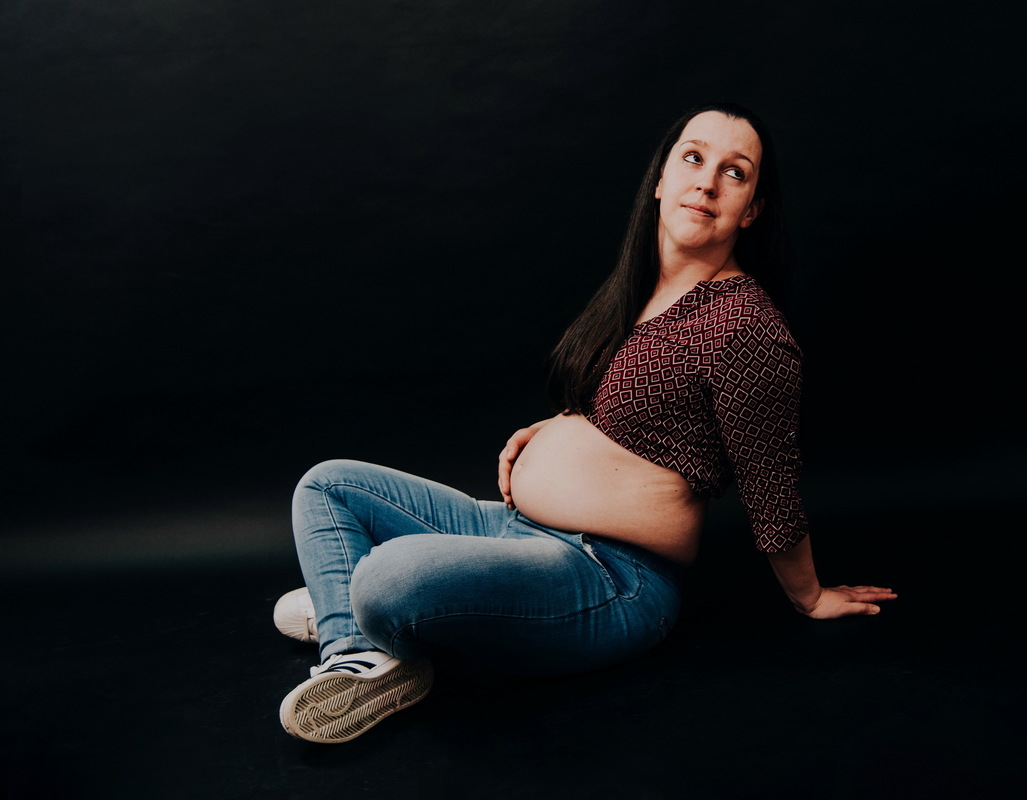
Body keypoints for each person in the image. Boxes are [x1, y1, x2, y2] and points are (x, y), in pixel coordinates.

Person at [274, 103, 897, 744]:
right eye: (693, 158)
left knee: (387, 577)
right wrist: (555, 429)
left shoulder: (744, 326)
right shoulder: (641, 293)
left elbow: (770, 482)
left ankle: (354, 611)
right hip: (519, 530)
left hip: (611, 576)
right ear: (661, 180)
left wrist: (809, 596)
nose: (707, 182)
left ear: (752, 210)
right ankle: (359, 651)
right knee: (327, 485)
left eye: (734, 172)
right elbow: (634, 415)